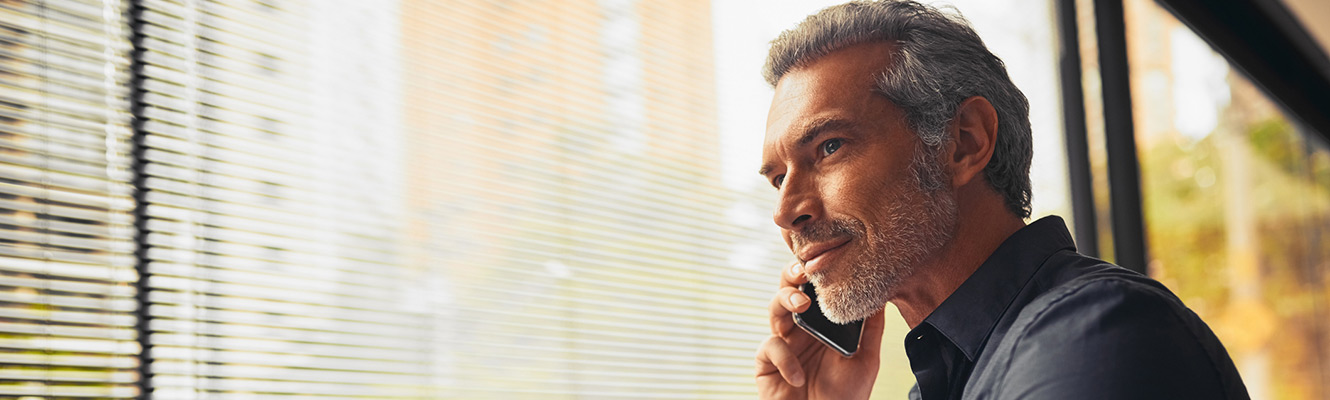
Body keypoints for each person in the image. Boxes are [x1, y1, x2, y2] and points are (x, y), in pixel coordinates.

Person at [752, 1, 1250, 399]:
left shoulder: (1092, 340)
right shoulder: (961, 376)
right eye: (777, 178)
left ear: (965, 142)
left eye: (829, 147)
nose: (786, 209)